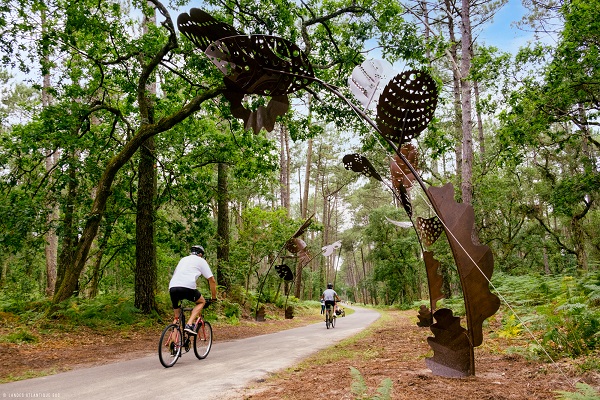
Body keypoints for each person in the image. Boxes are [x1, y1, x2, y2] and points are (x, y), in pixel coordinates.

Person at [169, 245, 217, 335]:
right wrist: (213, 297)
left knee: (177, 317)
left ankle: (173, 344)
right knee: (201, 302)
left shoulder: (183, 259)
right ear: (200, 254)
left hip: (173, 287)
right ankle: (189, 324)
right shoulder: (201, 260)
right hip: (187, 286)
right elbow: (212, 280)